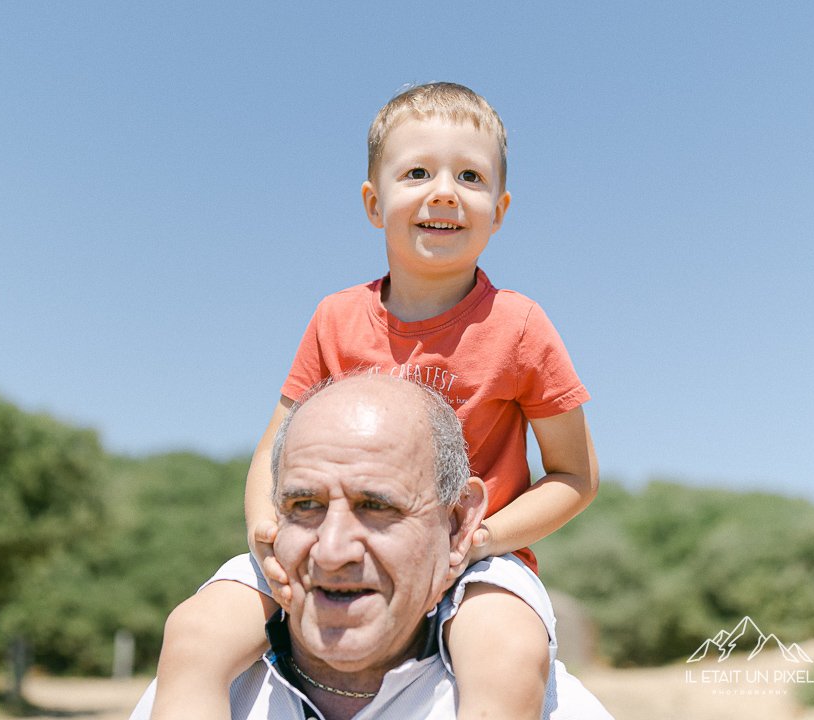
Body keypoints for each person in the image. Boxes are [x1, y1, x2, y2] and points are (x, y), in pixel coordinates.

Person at [152, 82, 598, 719]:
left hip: (477, 562)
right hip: (327, 541)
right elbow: (273, 450)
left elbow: (575, 476)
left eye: (470, 176)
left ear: (499, 210)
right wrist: (267, 532)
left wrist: (478, 540)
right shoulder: (335, 318)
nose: (444, 191)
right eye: (417, 172)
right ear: (373, 202)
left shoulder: (520, 326)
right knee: (195, 632)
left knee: (506, 653)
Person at [132, 375, 611, 719]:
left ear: (457, 524)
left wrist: (487, 541)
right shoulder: (190, 695)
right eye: (304, 504)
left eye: (376, 506)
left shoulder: (552, 707)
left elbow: (576, 474)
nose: (332, 550)